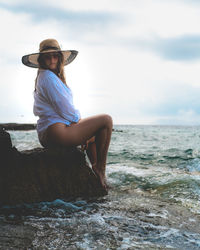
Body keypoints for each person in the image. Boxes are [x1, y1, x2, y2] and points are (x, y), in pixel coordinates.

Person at [22, 38, 113, 190]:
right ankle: (100, 169)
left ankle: (96, 175)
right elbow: (66, 109)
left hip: (48, 133)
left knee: (92, 137)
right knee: (106, 120)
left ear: (60, 58)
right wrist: (79, 123)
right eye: (47, 56)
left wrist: (82, 129)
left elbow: (61, 110)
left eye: (55, 56)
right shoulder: (48, 78)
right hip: (56, 132)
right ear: (42, 59)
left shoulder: (45, 77)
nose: (52, 60)